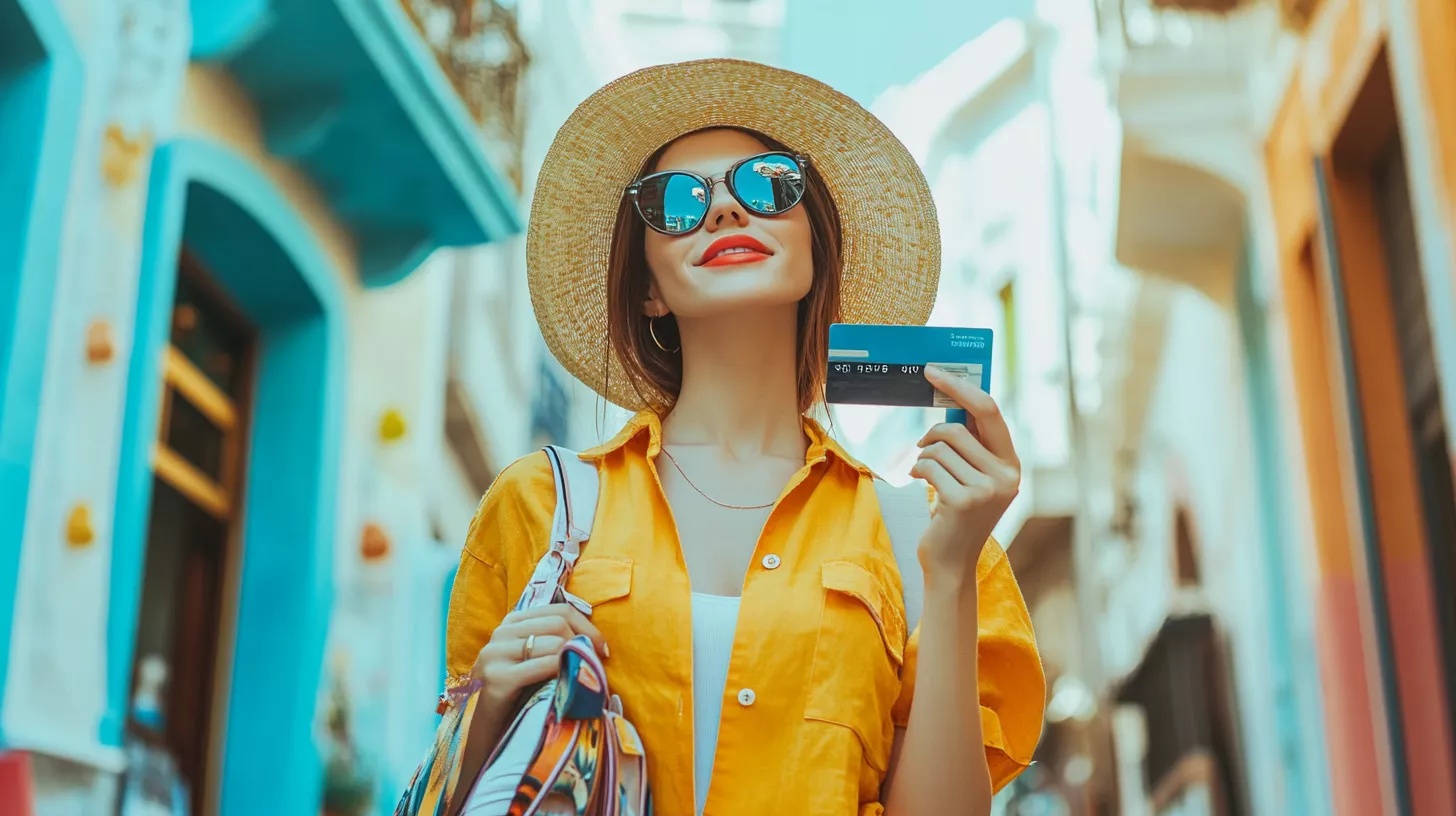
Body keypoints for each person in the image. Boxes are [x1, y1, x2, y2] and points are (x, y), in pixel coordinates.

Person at [444, 59, 1045, 816]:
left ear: (815, 246)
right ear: (649, 289)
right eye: (676, 202)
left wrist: (952, 572)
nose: (726, 212)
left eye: (768, 184)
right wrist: (490, 706)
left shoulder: (922, 537)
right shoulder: (543, 505)